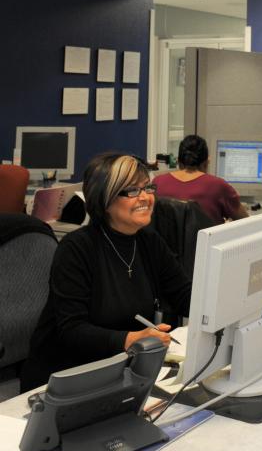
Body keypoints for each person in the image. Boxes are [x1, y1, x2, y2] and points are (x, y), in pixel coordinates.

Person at [21, 152, 191, 392]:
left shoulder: (148, 242)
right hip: (65, 378)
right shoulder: (77, 248)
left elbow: (184, 295)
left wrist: (224, 305)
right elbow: (71, 330)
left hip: (121, 371)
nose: (145, 198)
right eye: (132, 191)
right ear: (106, 200)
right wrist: (129, 340)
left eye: (148, 188)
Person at [153, 134, 248, 222]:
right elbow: (245, 222)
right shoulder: (219, 186)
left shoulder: (157, 182)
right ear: (206, 163)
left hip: (166, 241)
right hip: (205, 240)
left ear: (178, 162)